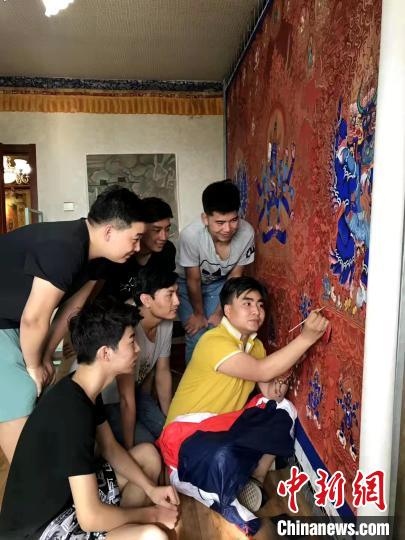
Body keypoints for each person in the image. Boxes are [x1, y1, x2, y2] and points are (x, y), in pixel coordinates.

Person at [0, 298, 179, 540]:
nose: (138, 348)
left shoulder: (81, 387)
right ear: (105, 353)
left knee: (148, 454)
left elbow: (110, 447)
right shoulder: (71, 414)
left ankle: (118, 527)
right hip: (43, 530)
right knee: (153, 535)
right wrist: (152, 515)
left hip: (71, 504)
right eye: (131, 341)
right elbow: (89, 518)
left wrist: (151, 490)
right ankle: (122, 528)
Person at [0, 185, 146, 463]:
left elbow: (71, 310)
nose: (138, 248)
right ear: (109, 232)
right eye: (135, 238)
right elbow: (34, 318)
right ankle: (28, 477)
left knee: (39, 385)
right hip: (7, 322)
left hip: (12, 321)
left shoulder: (100, 258)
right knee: (24, 390)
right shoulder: (64, 247)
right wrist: (34, 367)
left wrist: (45, 357)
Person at [164, 276, 328, 508]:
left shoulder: (255, 346)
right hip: (185, 436)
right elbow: (261, 370)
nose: (256, 311)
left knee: (282, 409)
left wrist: (287, 368)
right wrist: (305, 339)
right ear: (228, 310)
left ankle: (256, 479)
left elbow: (272, 394)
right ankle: (225, 480)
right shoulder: (212, 341)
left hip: (223, 429)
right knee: (221, 455)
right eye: (247, 303)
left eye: (260, 305)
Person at [177, 180, 255, 363]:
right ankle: (194, 379)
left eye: (233, 220)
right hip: (187, 284)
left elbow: (235, 276)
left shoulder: (247, 233)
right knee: (196, 334)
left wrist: (220, 312)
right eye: (220, 222)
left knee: (220, 330)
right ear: (205, 218)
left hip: (220, 284)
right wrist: (198, 315)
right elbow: (193, 280)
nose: (227, 229)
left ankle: (218, 378)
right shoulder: (191, 236)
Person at [103, 269, 179, 448]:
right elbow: (125, 398)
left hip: (135, 393)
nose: (177, 301)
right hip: (108, 400)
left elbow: (162, 372)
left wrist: (168, 421)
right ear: (146, 300)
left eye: (177, 293)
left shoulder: (165, 320)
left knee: (169, 436)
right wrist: (130, 449)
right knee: (149, 446)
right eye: (170, 295)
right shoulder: (127, 323)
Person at [102, 197, 176, 302]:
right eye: (156, 230)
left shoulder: (167, 251)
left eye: (167, 229)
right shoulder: (118, 254)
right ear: (140, 228)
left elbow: (164, 291)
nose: (164, 237)